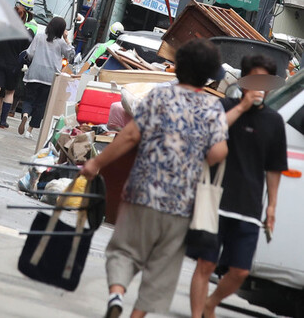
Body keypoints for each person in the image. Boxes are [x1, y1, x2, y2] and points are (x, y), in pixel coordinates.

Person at [81, 39, 229, 318]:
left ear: (178, 69)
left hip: (142, 194)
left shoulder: (159, 97)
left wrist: (96, 163)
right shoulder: (213, 110)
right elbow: (218, 153)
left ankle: (116, 294)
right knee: (162, 269)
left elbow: (130, 135)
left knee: (124, 251)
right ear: (208, 76)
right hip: (181, 205)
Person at [189, 54, 288, 318]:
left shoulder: (274, 121)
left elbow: (275, 167)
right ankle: (198, 314)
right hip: (215, 199)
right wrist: (242, 107)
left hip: (249, 205)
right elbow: (211, 135)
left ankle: (211, 304)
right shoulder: (224, 106)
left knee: (241, 270)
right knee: (205, 263)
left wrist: (273, 207)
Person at [0, 0, 35, 128]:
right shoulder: (27, 33)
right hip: (14, 67)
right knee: (9, 92)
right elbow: (27, 53)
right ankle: (2, 122)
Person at [18, 16, 73, 140]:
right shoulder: (61, 42)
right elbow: (70, 55)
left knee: (29, 100)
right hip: (50, 78)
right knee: (41, 104)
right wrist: (66, 39)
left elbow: (30, 53)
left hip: (34, 74)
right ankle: (30, 130)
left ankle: (25, 115)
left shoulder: (39, 37)